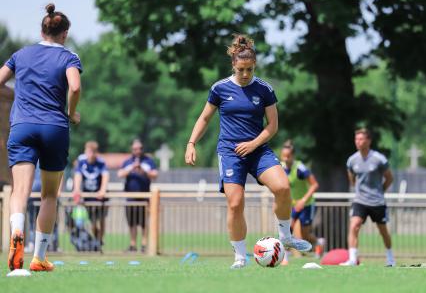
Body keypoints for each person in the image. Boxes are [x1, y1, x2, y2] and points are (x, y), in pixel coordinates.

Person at [184, 34, 312, 269]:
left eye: (250, 70)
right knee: (235, 202)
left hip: (258, 150)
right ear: (233, 64)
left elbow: (272, 126)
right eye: (241, 69)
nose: (245, 74)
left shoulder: (264, 89)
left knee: (283, 187)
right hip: (230, 152)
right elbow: (204, 118)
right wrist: (191, 143)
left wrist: (253, 144)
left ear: (255, 67)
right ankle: (240, 257)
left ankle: (285, 237)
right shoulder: (219, 88)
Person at [0, 3, 82, 272]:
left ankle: (16, 239)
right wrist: (71, 112)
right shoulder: (69, 57)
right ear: (64, 33)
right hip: (54, 128)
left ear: (42, 29)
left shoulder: (20, 54)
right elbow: (75, 86)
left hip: (22, 126)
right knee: (49, 194)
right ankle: (39, 258)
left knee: (19, 191)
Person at [341, 128, 395, 266]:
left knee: (383, 231)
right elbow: (352, 179)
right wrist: (359, 191)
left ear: (369, 141)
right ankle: (352, 259)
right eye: (356, 139)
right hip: (360, 201)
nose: (358, 142)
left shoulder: (379, 159)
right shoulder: (352, 160)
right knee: (354, 226)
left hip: (377, 201)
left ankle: (390, 258)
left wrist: (380, 191)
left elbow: (389, 178)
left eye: (361, 139)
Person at [279, 140, 324, 265]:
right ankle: (285, 256)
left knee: (305, 234)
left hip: (307, 204)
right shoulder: (280, 167)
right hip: (292, 205)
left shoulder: (300, 168)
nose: (286, 158)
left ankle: (319, 242)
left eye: (288, 156)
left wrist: (303, 201)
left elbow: (315, 185)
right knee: (287, 229)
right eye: (283, 156)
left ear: (292, 156)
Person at [118, 139, 158, 253]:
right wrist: (132, 168)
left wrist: (143, 170)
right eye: (135, 149)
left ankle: (144, 245)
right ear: (132, 149)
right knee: (132, 223)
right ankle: (133, 245)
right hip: (130, 198)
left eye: (140, 148)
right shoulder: (127, 162)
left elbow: (155, 174)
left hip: (144, 198)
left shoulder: (148, 161)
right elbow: (120, 174)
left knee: (144, 223)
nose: (138, 151)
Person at [73, 141, 109, 248]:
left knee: (101, 220)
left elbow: (105, 176)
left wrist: (103, 190)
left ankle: (100, 240)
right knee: (93, 222)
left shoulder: (101, 162)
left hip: (99, 197)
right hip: (88, 197)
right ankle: (97, 240)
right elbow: (78, 175)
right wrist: (76, 189)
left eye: (93, 152)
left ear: (96, 152)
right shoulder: (81, 160)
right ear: (85, 151)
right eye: (88, 151)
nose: (90, 154)